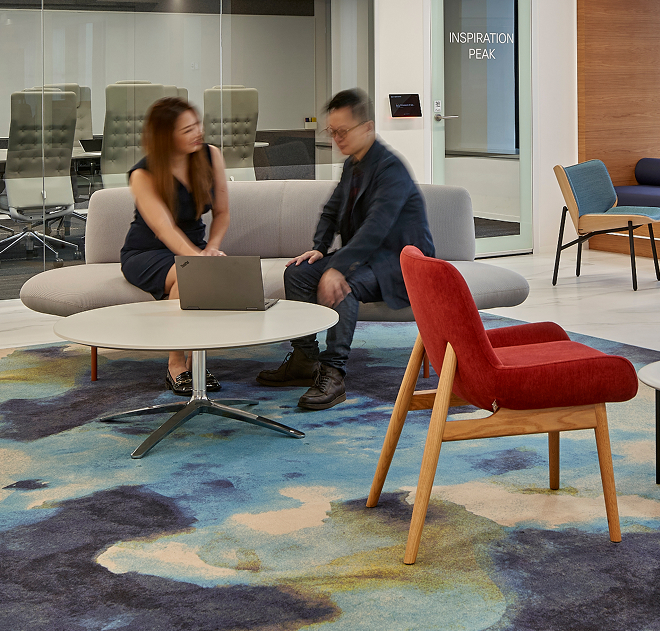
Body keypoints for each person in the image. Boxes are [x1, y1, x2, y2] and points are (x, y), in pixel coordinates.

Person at [256, 88, 435, 410]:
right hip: (366, 254)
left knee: (343, 286)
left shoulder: (390, 168)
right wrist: (320, 249)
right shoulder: (353, 164)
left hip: (400, 260)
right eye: (332, 131)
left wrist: (338, 268)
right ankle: (304, 360)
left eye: (343, 131)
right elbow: (330, 210)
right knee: (298, 273)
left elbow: (377, 228)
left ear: (367, 127)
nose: (336, 138)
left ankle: (334, 372)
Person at [120, 97, 230, 396]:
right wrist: (198, 260)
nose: (198, 133)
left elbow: (222, 213)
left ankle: (197, 359)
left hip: (194, 247)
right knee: (189, 275)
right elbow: (163, 228)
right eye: (187, 129)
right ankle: (176, 365)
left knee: (196, 271)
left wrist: (211, 250)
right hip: (147, 252)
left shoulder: (210, 155)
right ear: (166, 137)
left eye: (198, 125)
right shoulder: (143, 174)